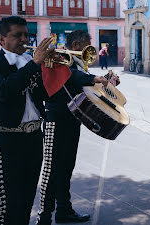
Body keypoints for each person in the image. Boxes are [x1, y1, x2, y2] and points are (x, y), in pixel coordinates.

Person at [0, 16, 54, 225]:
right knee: (8, 201)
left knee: (28, 197)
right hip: (7, 140)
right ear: (1, 39)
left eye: (26, 34)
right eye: (17, 35)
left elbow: (47, 93)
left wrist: (52, 69)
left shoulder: (32, 63)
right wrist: (35, 64)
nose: (24, 39)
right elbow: (4, 91)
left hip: (35, 137)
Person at [36, 30, 109, 225]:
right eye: (86, 44)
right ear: (76, 45)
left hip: (71, 120)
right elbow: (70, 77)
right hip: (55, 120)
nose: (89, 49)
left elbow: (82, 83)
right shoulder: (60, 58)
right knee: (51, 170)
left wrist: (106, 82)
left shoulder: (77, 61)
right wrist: (94, 78)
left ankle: (63, 211)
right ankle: (44, 216)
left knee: (66, 167)